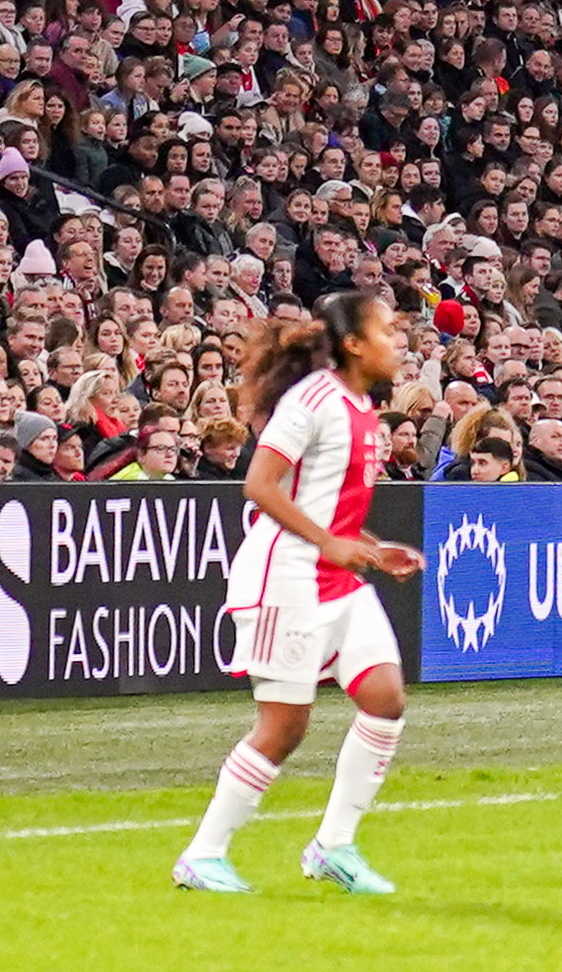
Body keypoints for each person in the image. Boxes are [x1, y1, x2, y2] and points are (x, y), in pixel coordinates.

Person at [178, 283, 422, 900]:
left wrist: (370, 547)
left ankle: (333, 847)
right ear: (353, 344)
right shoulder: (312, 399)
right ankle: (203, 855)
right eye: (386, 331)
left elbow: (324, 503)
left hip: (337, 579)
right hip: (284, 578)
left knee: (385, 699)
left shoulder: (362, 407)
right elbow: (260, 485)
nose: (397, 342)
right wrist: (330, 543)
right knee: (284, 727)